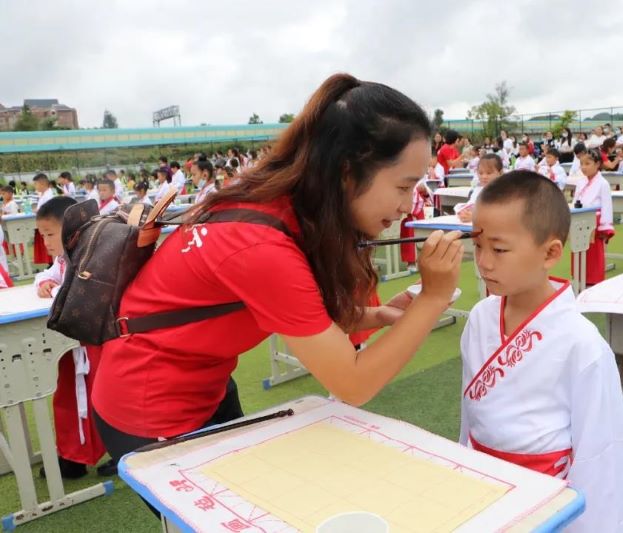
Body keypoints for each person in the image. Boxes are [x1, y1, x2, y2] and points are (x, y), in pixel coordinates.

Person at [90, 74, 465, 510]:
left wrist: (379, 316)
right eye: (403, 186)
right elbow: (353, 382)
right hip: (150, 407)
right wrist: (435, 298)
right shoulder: (261, 244)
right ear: (347, 172)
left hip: (203, 385)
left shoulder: (277, 205)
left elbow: (304, 316)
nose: (407, 204)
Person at [461, 171, 623, 532]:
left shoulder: (582, 342)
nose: (484, 262)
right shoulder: (480, 317)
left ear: (551, 252)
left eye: (499, 249)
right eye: (478, 246)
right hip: (482, 481)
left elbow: (598, 448)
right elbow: (471, 415)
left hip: (546, 493)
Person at [34, 196, 112, 478]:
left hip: (95, 341)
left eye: (50, 234)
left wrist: (54, 289)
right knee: (70, 395)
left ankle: (114, 451)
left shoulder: (88, 252)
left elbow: (78, 293)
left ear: (69, 227)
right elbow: (49, 276)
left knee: (103, 398)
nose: (46, 242)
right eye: (42, 236)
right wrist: (45, 282)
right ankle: (72, 454)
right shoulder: (65, 256)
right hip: (76, 342)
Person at [572, 149, 614, 286]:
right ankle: (579, 278)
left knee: (594, 253)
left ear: (597, 164)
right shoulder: (580, 182)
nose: (583, 167)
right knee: (578, 250)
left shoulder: (603, 183)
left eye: (587, 163)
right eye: (581, 164)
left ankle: (594, 280)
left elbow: (607, 206)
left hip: (594, 222)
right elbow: (576, 201)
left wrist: (605, 227)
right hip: (579, 219)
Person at [457, 153, 503, 223]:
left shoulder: (505, 193)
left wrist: (476, 217)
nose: (484, 177)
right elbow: (470, 205)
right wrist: (464, 212)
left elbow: (501, 216)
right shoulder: (478, 191)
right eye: (480, 173)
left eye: (489, 173)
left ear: (500, 173)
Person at [32, 173, 55, 265]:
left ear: (42, 184)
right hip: (43, 223)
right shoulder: (44, 194)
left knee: (49, 244)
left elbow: (47, 209)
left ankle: (52, 263)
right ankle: (50, 263)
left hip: (47, 223)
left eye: (36, 184)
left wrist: (38, 210)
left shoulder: (48, 195)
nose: (35, 187)